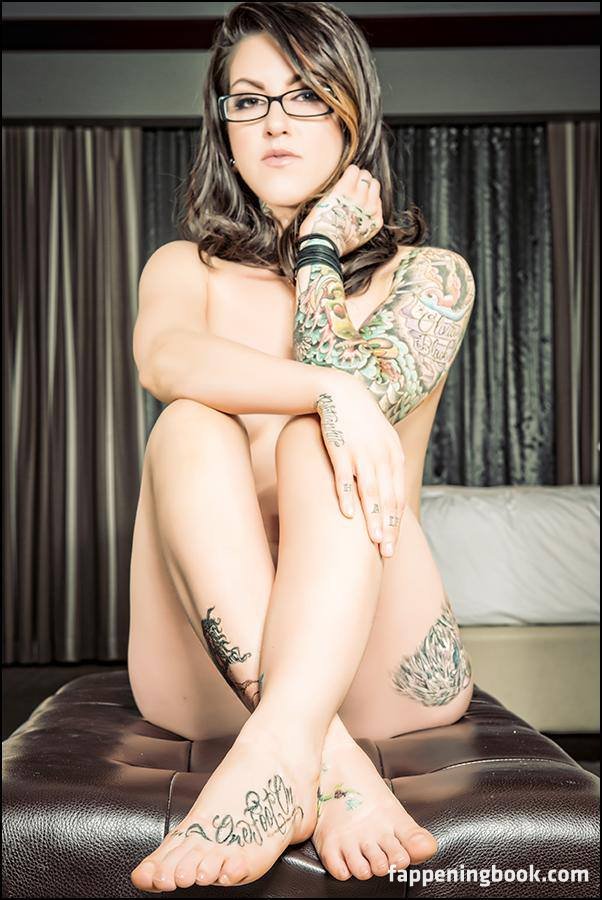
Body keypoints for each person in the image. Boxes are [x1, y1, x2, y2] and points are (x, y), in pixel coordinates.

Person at [129, 2, 476, 892]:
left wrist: (318, 248)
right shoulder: (184, 267)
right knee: (189, 423)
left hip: (380, 666)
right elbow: (165, 361)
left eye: (306, 94)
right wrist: (328, 389)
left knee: (314, 437)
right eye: (248, 100)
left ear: (353, 111)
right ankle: (324, 761)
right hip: (209, 673)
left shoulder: (431, 276)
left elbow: (354, 392)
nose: (275, 121)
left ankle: (285, 748)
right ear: (225, 127)